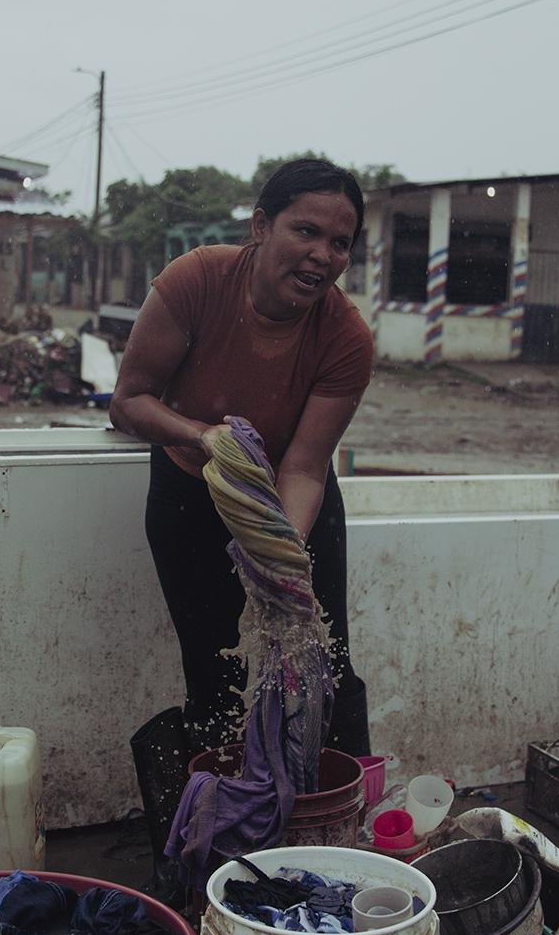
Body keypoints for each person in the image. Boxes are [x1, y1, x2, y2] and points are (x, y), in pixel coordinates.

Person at [110, 158, 374, 759]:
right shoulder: (196, 281)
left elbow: (303, 468)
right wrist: (204, 437)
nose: (321, 255)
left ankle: (338, 819)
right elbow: (129, 401)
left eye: (339, 243)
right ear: (260, 226)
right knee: (217, 677)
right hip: (188, 489)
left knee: (322, 662)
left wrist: (276, 557)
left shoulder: (346, 339)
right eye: (304, 231)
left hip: (292, 500)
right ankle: (227, 826)